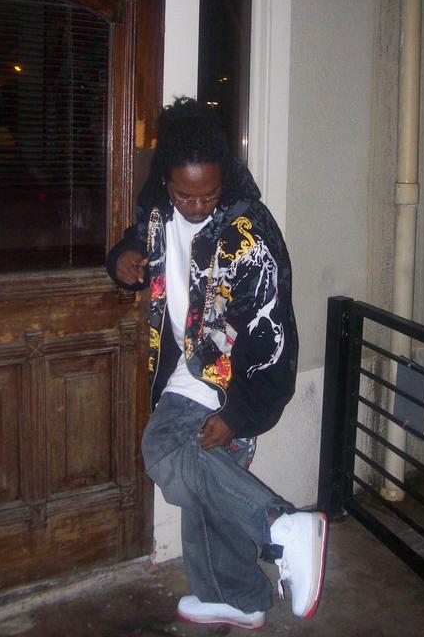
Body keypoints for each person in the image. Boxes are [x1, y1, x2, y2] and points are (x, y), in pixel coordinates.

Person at [107, 98, 327, 629]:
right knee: (204, 489)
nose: (197, 205)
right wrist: (122, 259)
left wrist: (240, 415)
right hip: (184, 364)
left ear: (224, 177)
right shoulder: (157, 208)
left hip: (229, 378)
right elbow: (142, 243)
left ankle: (283, 528)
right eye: (185, 194)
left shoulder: (250, 234)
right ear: (167, 180)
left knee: (164, 449)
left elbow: (274, 340)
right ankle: (238, 597)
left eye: (209, 193)